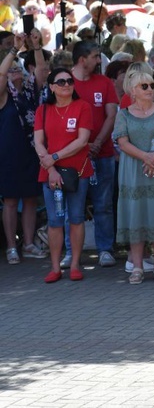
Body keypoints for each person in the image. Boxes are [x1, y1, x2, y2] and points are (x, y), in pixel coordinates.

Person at [113, 64, 154, 284]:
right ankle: (138, 266)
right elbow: (122, 142)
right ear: (132, 90)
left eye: (152, 85)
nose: (150, 89)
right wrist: (146, 157)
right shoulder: (123, 115)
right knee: (137, 215)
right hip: (134, 171)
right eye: (144, 86)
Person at [33, 68, 95, 282]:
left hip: (78, 172)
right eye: (61, 82)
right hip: (50, 174)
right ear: (51, 87)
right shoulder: (43, 110)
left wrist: (55, 157)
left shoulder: (83, 107)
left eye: (69, 81)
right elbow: (39, 143)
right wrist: (50, 168)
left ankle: (76, 264)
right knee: (55, 220)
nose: (67, 84)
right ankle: (55, 267)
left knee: (76, 217)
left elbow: (82, 140)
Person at [70, 41, 119, 268]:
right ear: (83, 59)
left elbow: (111, 115)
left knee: (104, 204)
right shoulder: (65, 82)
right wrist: (82, 145)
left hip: (104, 153)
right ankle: (72, 252)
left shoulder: (104, 82)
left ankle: (105, 249)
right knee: (75, 205)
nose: (99, 61)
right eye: (96, 56)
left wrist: (97, 143)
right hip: (73, 157)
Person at [1, 36, 45, 263]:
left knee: (30, 199)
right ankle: (11, 247)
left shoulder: (30, 89)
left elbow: (42, 70)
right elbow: (1, 74)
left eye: (19, 67)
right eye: (12, 68)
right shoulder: (3, 94)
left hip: (31, 151)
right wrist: (15, 49)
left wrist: (36, 47)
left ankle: (28, 244)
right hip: (8, 153)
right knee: (10, 200)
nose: (16, 69)